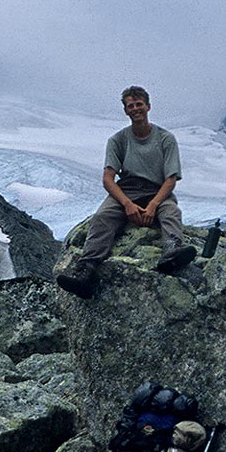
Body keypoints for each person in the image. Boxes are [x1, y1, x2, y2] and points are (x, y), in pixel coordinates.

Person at [55, 85, 195, 297]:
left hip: (157, 190)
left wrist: (153, 205)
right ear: (126, 111)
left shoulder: (165, 138)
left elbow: (170, 178)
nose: (136, 109)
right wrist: (127, 204)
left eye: (139, 104)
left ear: (148, 106)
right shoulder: (117, 140)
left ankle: (172, 251)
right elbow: (108, 178)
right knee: (103, 217)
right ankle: (86, 270)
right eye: (131, 106)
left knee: (170, 212)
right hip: (127, 189)